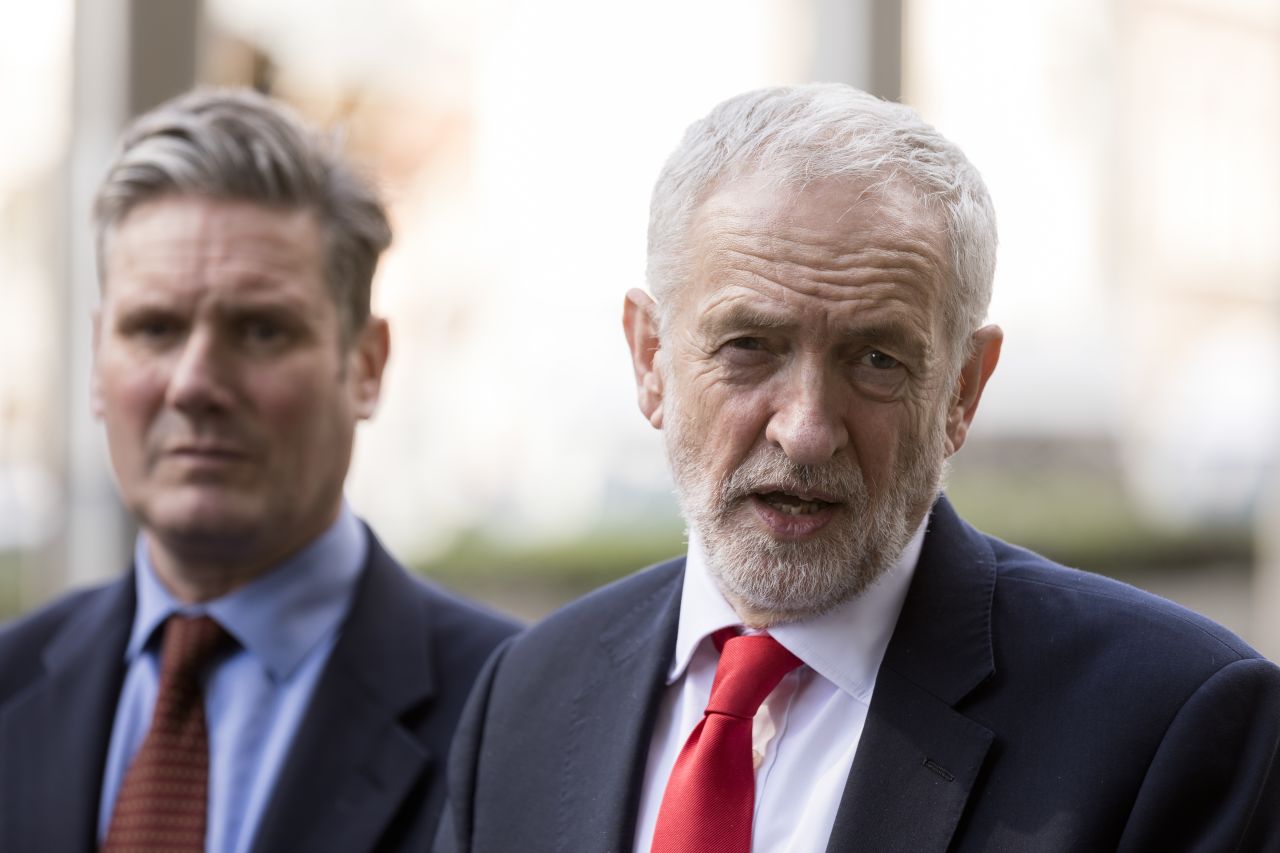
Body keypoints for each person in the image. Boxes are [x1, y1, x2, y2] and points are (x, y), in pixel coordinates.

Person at [437, 83, 1280, 852]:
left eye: (876, 359)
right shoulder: (525, 698)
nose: (806, 430)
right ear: (650, 357)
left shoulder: (1172, 721)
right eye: (749, 347)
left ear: (963, 389)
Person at [0, 88, 518, 853]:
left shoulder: (517, 714)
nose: (194, 382)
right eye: (154, 328)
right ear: (96, 360)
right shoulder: (10, 687)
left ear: (367, 364)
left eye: (261, 329)